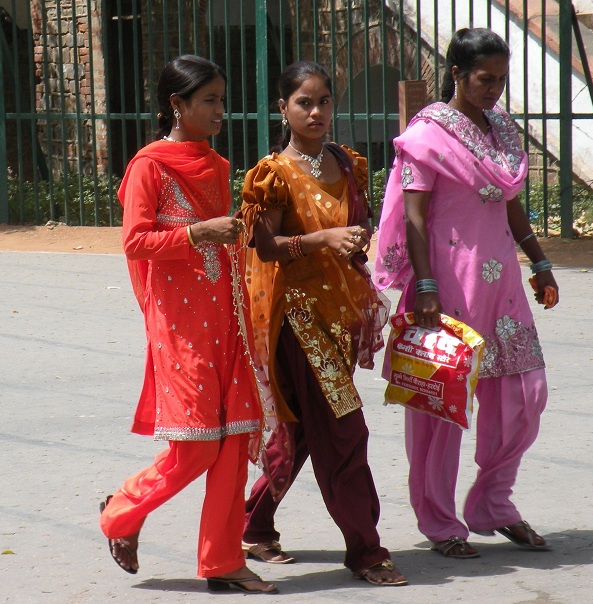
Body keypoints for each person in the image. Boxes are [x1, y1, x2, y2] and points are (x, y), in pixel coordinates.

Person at [374, 28, 559, 559]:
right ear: (456, 73)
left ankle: (493, 505)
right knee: (441, 407)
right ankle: (440, 522)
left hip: (501, 283)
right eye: (485, 79)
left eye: (501, 79)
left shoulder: (501, 126)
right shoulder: (427, 132)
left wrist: (539, 260)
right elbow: (412, 216)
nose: (494, 90)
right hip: (446, 281)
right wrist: (425, 285)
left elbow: (510, 201)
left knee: (525, 395)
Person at [98, 55, 277, 594]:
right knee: (197, 446)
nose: (222, 110)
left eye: (222, 99)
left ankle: (222, 562)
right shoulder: (150, 166)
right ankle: (120, 511)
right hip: (180, 324)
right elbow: (135, 242)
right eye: (210, 100)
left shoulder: (217, 165)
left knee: (234, 442)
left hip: (229, 316)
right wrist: (200, 234)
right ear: (177, 105)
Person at [238, 60, 407, 587]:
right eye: (303, 103)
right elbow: (262, 245)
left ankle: (254, 524)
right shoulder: (273, 173)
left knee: (301, 431)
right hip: (299, 319)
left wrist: (353, 242)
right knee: (343, 429)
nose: (316, 112)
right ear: (282, 109)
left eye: (324, 101)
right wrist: (320, 241)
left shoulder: (344, 161)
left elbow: (354, 225)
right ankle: (366, 551)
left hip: (340, 312)